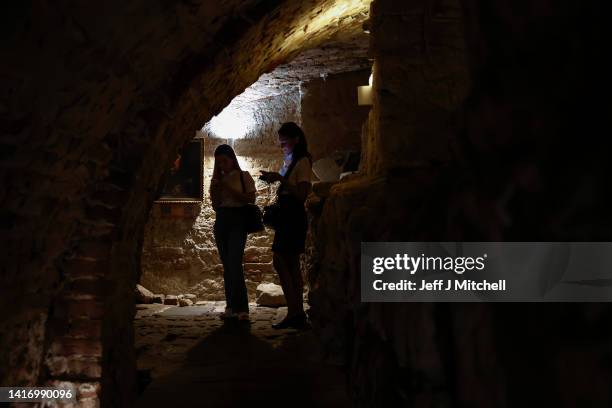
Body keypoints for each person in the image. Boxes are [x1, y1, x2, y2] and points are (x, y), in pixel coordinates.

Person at [260, 122, 312, 329]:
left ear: (296, 139)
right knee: (287, 263)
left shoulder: (303, 162)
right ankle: (295, 313)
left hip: (294, 216)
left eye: (285, 142)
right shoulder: (290, 160)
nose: (283, 147)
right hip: (287, 216)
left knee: (283, 261)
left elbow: (302, 194)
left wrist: (280, 178)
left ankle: (295, 312)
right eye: (280, 143)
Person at [210, 144, 256, 321]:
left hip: (237, 219)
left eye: (224, 161)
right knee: (227, 266)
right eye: (219, 163)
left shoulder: (243, 176)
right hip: (221, 219)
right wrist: (215, 188)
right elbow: (215, 206)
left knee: (234, 263)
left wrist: (227, 186)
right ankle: (230, 306)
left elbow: (250, 198)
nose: (222, 165)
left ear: (232, 159)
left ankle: (242, 308)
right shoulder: (217, 179)